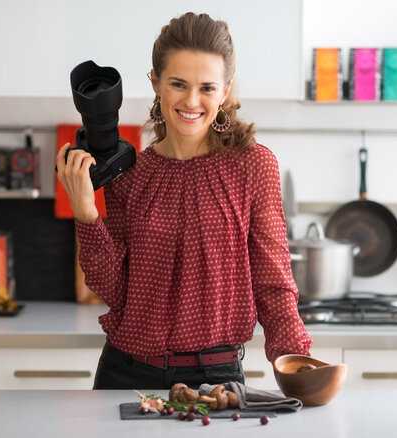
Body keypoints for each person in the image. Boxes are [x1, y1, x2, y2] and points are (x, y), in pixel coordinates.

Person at [56, 12, 312, 390]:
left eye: (207, 87)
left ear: (224, 91)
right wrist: (85, 212)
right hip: (126, 373)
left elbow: (274, 280)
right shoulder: (129, 175)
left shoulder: (254, 166)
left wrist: (297, 363)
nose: (192, 100)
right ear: (156, 83)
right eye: (178, 84)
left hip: (216, 379)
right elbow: (117, 291)